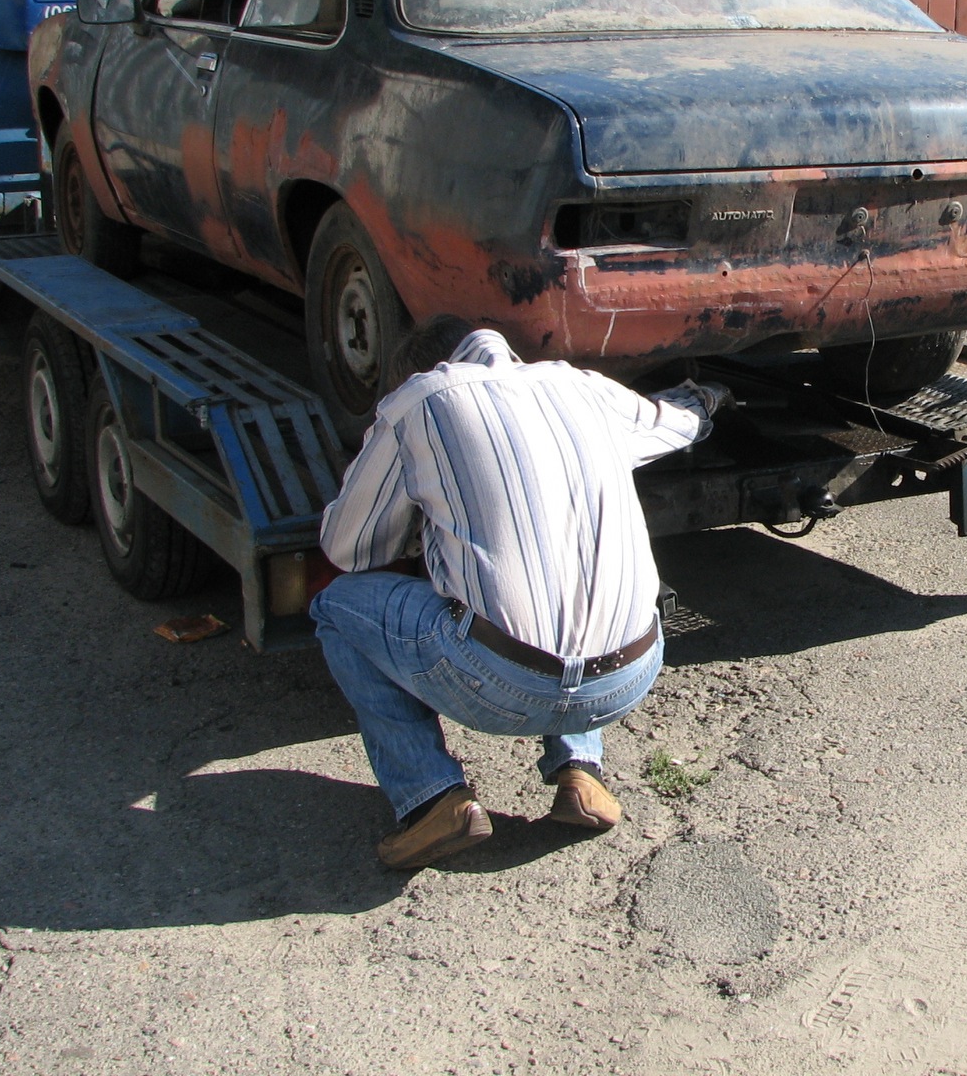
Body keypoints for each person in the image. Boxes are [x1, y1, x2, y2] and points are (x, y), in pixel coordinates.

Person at [309, 316, 729, 869]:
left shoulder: (419, 402)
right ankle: (581, 769)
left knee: (336, 607)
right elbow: (679, 422)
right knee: (570, 575)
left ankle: (430, 798)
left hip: (500, 686)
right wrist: (710, 393)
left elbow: (350, 550)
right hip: (629, 678)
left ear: (417, 372)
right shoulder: (583, 387)